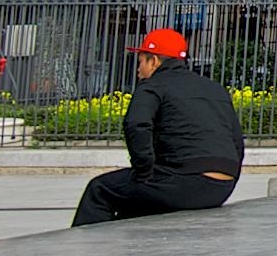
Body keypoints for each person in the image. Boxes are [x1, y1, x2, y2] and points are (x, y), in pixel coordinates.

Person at [71, 28, 244, 226]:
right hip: (222, 187)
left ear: (153, 61)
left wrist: (143, 172)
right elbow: (236, 140)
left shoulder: (152, 85)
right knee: (133, 205)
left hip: (183, 183)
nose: (138, 70)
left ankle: (84, 251)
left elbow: (136, 124)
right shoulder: (214, 88)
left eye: (141, 61)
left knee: (100, 189)